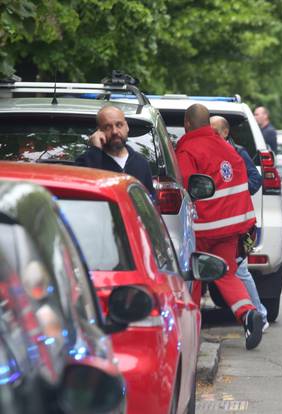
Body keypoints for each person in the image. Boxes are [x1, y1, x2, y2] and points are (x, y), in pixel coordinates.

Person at [175, 104, 263, 350]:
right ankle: (247, 313)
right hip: (232, 225)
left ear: (187, 124)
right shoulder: (228, 148)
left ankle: (190, 330)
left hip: (203, 227)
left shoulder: (187, 148)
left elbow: (185, 186)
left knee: (192, 274)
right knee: (225, 273)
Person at [210, 116, 269, 331]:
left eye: (215, 131)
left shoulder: (239, 152)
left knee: (241, 270)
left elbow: (255, 179)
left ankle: (260, 315)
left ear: (226, 133)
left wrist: (235, 194)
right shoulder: (209, 152)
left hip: (237, 222)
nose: (211, 135)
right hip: (215, 223)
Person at [76, 105, 155, 198]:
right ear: (99, 131)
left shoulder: (141, 163)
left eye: (119, 125)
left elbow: (151, 201)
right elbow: (83, 195)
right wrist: (95, 150)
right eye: (108, 127)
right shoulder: (85, 161)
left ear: (127, 127)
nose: (114, 131)